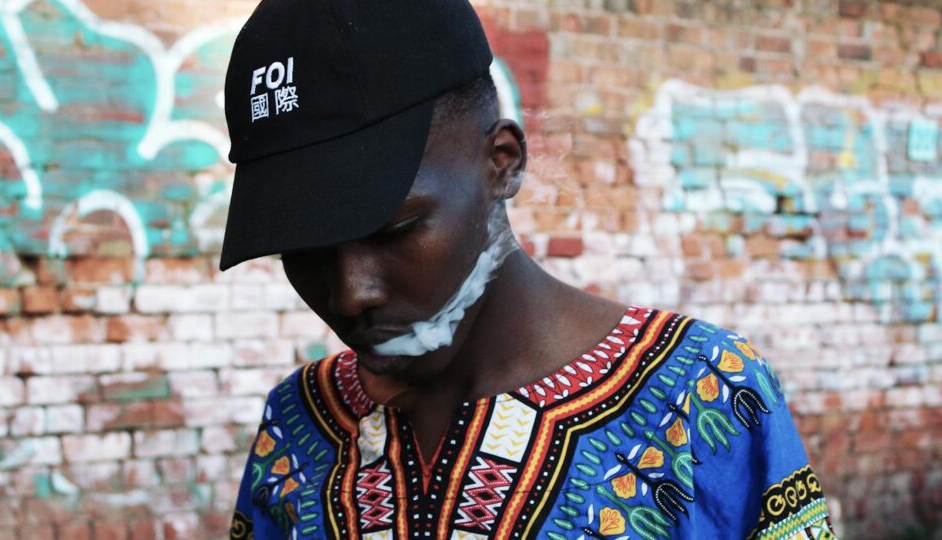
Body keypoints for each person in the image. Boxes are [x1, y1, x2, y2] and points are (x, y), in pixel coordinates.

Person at [220, 1, 835, 538]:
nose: (351, 294)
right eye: (302, 248)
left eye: (395, 231)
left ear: (503, 162)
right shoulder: (300, 421)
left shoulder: (703, 395)